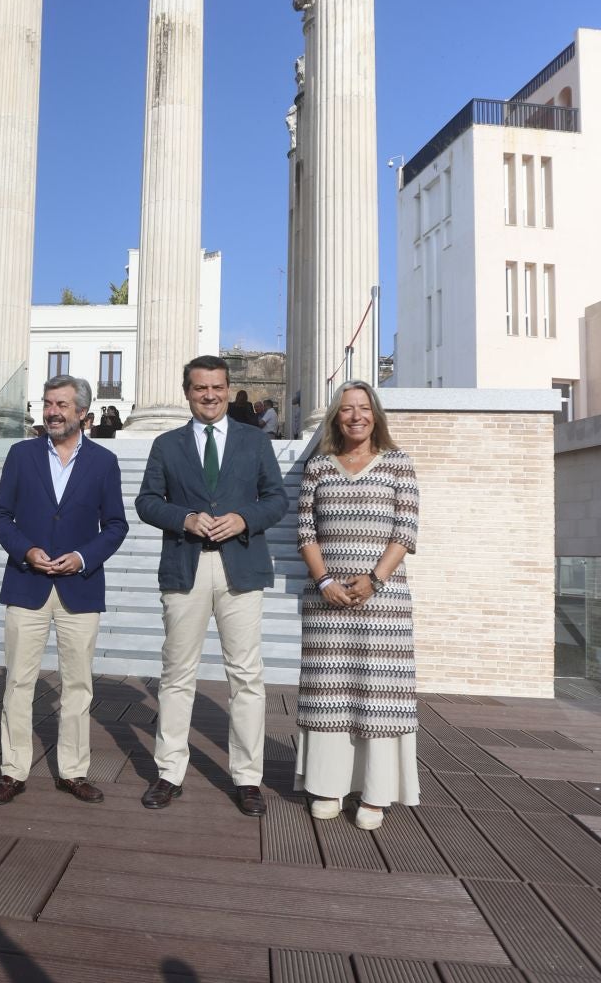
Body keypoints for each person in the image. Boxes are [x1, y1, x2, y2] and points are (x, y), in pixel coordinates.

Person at [135, 354, 289, 816]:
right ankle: (169, 773)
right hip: (186, 567)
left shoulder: (255, 442)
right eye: (201, 388)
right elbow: (146, 502)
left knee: (245, 676)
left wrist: (244, 517)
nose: (210, 395)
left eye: (217, 387)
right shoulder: (165, 444)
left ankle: (247, 778)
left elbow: (277, 500)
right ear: (187, 392)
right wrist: (184, 517)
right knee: (177, 673)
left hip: (240, 569)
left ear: (227, 389)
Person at [0, 374, 128, 805]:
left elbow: (117, 525)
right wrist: (26, 550)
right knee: (18, 683)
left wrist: (84, 557)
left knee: (78, 685)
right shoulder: (21, 454)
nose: (52, 411)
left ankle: (73, 771)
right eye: (48, 403)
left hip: (79, 587)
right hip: (26, 583)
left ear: (83, 413)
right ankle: (13, 771)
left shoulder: (104, 462)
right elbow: (0, 516)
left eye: (62, 405)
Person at [295, 380, 420, 830]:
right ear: (335, 416)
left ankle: (376, 793)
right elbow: (305, 533)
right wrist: (324, 579)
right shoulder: (319, 467)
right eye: (346, 409)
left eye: (363, 408)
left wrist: (373, 580)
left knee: (378, 694)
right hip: (326, 601)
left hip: (382, 605)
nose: (355, 416)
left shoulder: (398, 464)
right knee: (329, 692)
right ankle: (328, 785)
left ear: (376, 413)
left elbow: (405, 531)